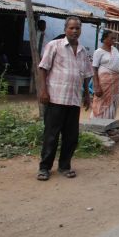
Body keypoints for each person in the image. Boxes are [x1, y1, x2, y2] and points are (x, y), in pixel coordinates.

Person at [36, 16, 93, 181]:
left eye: (77, 28)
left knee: (71, 136)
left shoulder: (83, 51)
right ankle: (44, 168)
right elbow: (43, 68)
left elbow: (86, 75)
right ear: (65, 29)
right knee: (51, 135)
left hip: (73, 100)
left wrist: (87, 95)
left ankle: (64, 166)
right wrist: (43, 91)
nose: (75, 31)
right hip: (55, 98)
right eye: (71, 28)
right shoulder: (54, 46)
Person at [91, 30, 119, 119]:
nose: (114, 40)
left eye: (114, 38)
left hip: (114, 83)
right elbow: (94, 68)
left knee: (112, 103)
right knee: (101, 102)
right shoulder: (98, 52)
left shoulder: (115, 50)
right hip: (103, 82)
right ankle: (98, 122)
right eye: (111, 38)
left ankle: (109, 122)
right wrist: (96, 86)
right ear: (104, 39)